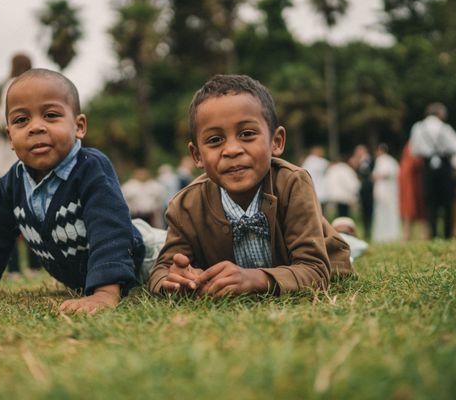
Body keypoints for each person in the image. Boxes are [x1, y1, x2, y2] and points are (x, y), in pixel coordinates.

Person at [0, 68, 146, 314]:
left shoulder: (90, 168)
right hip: (82, 278)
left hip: (143, 258)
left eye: (51, 115)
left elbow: (109, 230)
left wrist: (105, 292)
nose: (35, 127)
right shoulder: (11, 184)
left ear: (79, 126)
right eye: (22, 120)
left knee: (177, 262)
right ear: (10, 137)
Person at [148, 74, 352, 297]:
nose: (232, 149)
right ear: (197, 155)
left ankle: (342, 231)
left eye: (247, 134)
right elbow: (161, 270)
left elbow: (315, 270)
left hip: (326, 253)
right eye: (215, 140)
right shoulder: (185, 205)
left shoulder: (293, 183)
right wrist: (176, 280)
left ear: (276, 141)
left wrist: (255, 279)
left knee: (347, 249)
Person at [0, 53, 40, 273]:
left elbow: (1, 119)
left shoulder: (11, 86)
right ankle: (35, 264)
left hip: (10, 155)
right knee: (33, 209)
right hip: (33, 153)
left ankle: (14, 268)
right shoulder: (37, 86)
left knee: (9, 210)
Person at [409, 102, 456, 239]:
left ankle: (433, 234)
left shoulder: (418, 128)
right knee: (447, 201)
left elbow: (414, 150)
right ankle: (447, 234)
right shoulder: (444, 128)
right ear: (439, 113)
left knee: (430, 202)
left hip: (428, 166)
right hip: (445, 166)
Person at [371, 144, 401, 243]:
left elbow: (383, 174)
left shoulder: (382, 160)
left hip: (385, 191)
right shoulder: (392, 161)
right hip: (389, 192)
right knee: (389, 213)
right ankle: (390, 234)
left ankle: (384, 236)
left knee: (384, 213)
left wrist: (376, 176)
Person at [398, 142, 427, 240]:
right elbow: (417, 163)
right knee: (414, 209)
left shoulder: (408, 149)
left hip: (413, 183)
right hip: (412, 185)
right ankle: (411, 235)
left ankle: (409, 235)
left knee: (413, 210)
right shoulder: (412, 146)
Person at [349, 144, 374, 240]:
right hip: (361, 190)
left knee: (369, 210)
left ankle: (370, 230)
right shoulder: (357, 162)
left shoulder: (370, 160)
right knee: (363, 211)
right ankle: (366, 231)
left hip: (369, 189)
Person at [301, 145, 329, 212]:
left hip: (311, 189)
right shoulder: (317, 161)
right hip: (319, 190)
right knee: (320, 211)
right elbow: (329, 165)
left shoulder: (307, 161)